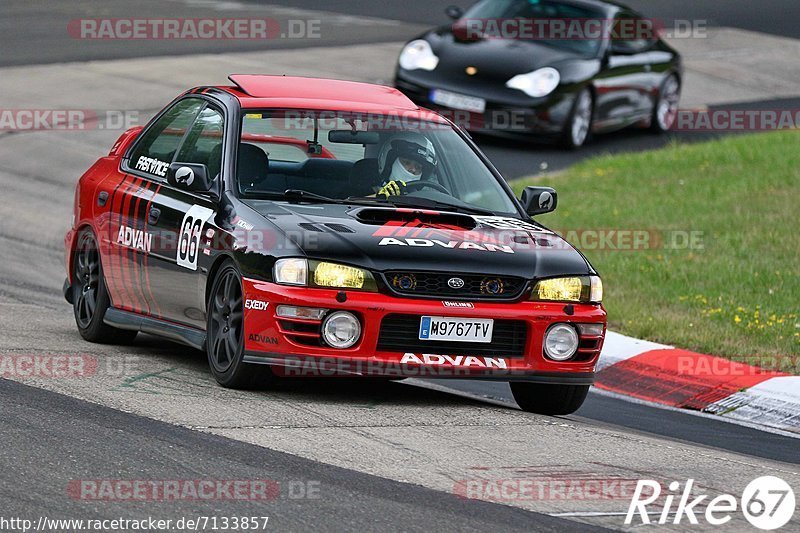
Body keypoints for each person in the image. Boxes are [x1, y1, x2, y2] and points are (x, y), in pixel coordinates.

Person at [375, 132, 438, 198]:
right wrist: (379, 198)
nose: (413, 169)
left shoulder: (424, 200)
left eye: (418, 167)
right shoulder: (369, 190)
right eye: (407, 163)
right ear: (389, 163)